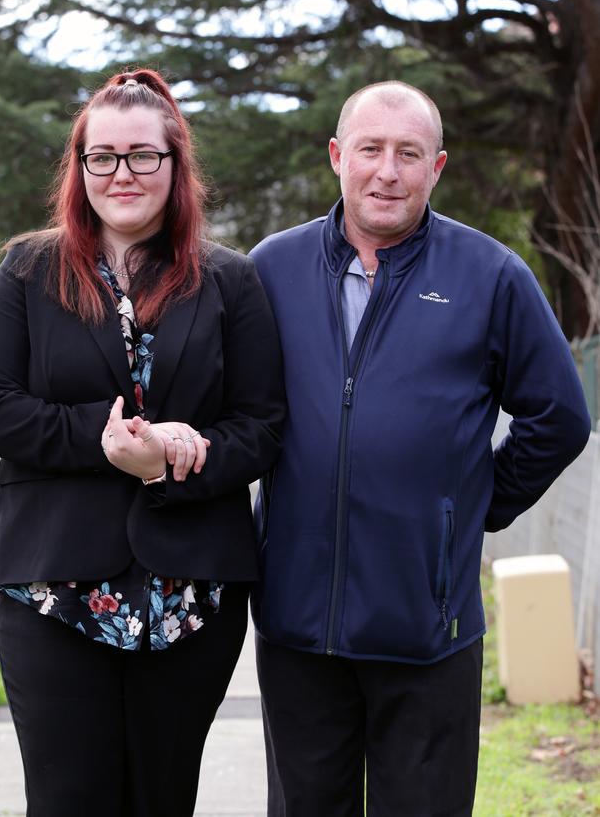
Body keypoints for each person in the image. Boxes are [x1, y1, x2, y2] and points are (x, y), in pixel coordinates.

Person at [249, 81, 591, 817]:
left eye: (409, 153)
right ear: (338, 156)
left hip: (428, 632)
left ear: (437, 168)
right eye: (370, 149)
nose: (387, 171)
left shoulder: (492, 276)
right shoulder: (271, 269)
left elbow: (559, 415)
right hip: (297, 628)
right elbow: (237, 415)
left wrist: (471, 509)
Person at [0, 68, 285, 817]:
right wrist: (112, 442)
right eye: (101, 156)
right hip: (51, 590)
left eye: (143, 155)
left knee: (163, 800)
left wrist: (173, 461)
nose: (122, 172)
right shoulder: (28, 268)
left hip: (191, 594)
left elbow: (262, 427)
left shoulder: (231, 281)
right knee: (68, 798)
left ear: (176, 164)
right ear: (79, 169)